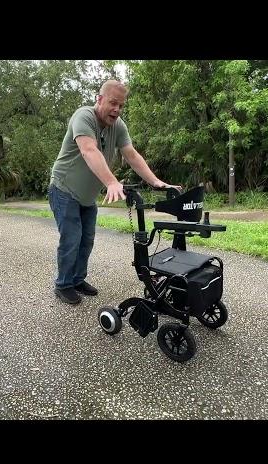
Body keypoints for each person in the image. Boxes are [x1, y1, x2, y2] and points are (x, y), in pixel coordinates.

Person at [48, 79, 181, 304]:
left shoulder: (118, 126)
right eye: (113, 103)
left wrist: (157, 182)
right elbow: (89, 150)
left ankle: (78, 279)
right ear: (99, 100)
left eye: (121, 105)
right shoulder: (84, 116)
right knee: (72, 238)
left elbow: (132, 155)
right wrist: (111, 181)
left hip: (87, 196)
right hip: (64, 189)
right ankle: (63, 284)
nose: (117, 109)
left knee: (86, 240)